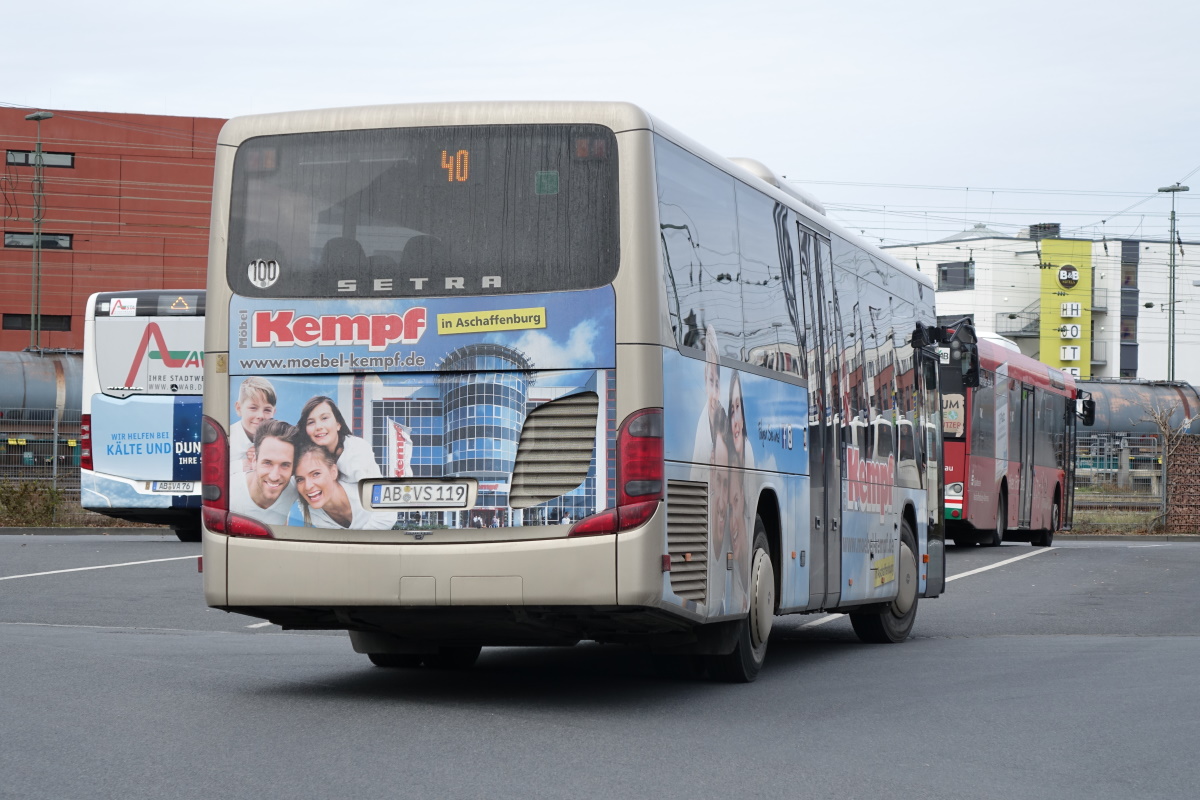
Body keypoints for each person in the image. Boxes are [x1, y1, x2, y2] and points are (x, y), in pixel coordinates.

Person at [293, 442, 396, 530]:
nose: (308, 486)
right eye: (300, 479)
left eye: (316, 474)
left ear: (333, 472)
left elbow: (388, 515)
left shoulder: (361, 489)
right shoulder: (311, 512)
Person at [228, 419, 299, 525]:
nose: (274, 476)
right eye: (267, 463)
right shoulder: (229, 493)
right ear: (254, 461)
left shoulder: (295, 488)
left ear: (293, 469)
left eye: (285, 465)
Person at [298, 395, 382, 483]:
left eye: (324, 418)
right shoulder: (307, 454)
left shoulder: (357, 449)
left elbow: (369, 486)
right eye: (311, 422)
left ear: (338, 424)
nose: (318, 427)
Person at [230, 377, 277, 472]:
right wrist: (240, 465)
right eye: (253, 408)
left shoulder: (278, 439)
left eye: (267, 410)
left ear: (274, 412)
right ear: (239, 408)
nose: (260, 416)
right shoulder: (227, 439)